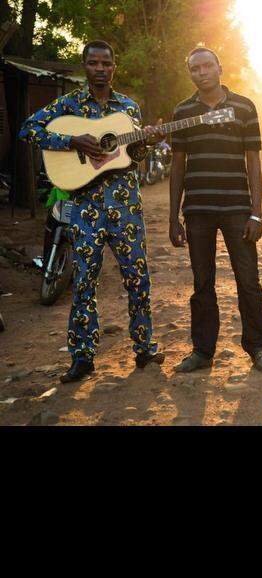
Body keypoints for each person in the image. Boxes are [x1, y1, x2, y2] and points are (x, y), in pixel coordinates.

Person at [18, 40, 165, 384]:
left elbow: (133, 157)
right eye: (94, 63)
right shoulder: (68, 104)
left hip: (125, 206)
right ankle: (82, 358)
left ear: (115, 66)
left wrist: (147, 141)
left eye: (106, 64)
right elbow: (29, 129)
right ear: (84, 65)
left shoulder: (129, 108)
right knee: (84, 282)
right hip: (85, 208)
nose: (100, 69)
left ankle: (144, 348)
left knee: (138, 278)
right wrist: (71, 141)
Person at [168, 47, 262, 374]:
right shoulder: (182, 112)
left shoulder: (244, 107)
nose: (201, 72)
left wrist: (256, 212)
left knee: (249, 280)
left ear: (219, 67)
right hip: (197, 210)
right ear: (190, 74)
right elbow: (177, 165)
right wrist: (173, 217)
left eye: (207, 66)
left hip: (237, 209)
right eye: (195, 68)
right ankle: (202, 351)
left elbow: (253, 162)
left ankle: (256, 347)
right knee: (202, 283)